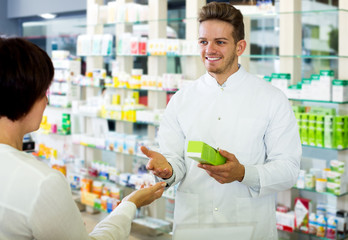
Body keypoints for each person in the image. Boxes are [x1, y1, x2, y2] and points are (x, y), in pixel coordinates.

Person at [140, 2, 302, 240]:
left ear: (240, 47)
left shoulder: (272, 99)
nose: (210, 49)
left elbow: (289, 169)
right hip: (194, 227)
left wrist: (243, 173)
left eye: (220, 42)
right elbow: (175, 161)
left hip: (249, 228)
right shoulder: (181, 99)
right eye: (203, 41)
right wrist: (167, 170)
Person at [0, 36, 166, 240]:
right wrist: (129, 205)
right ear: (24, 95)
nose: (47, 101)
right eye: (44, 92)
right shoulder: (41, 182)